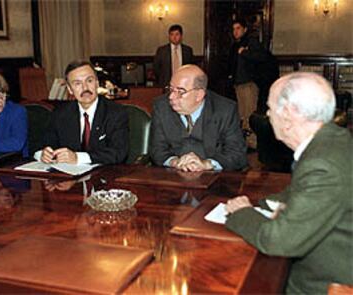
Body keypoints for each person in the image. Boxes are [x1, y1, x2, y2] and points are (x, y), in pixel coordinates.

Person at [225, 72, 353, 294]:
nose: (267, 114)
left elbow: (278, 241)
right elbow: (302, 191)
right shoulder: (333, 138)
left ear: (288, 113)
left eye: (270, 108)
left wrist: (242, 212)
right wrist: (265, 204)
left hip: (320, 283)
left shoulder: (323, 165)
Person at [150, 64, 247, 172]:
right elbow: (156, 150)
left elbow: (237, 154)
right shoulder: (161, 106)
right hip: (173, 175)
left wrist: (207, 164)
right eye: (171, 89)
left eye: (180, 91)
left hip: (215, 178)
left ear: (199, 95)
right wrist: (175, 162)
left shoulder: (225, 109)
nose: (171, 97)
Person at [35, 61, 129, 165]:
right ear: (70, 89)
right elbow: (43, 145)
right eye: (77, 83)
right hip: (69, 177)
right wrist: (43, 155)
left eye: (89, 81)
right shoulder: (60, 113)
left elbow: (118, 153)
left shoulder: (116, 113)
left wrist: (77, 158)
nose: (85, 88)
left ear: (97, 83)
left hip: (105, 175)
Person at [228, 18, 279, 148]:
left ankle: (253, 142)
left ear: (245, 29)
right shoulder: (235, 45)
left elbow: (262, 58)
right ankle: (245, 141)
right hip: (238, 83)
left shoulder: (252, 42)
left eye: (238, 28)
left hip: (249, 83)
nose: (235, 31)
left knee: (250, 114)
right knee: (242, 114)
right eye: (233, 29)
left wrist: (244, 52)